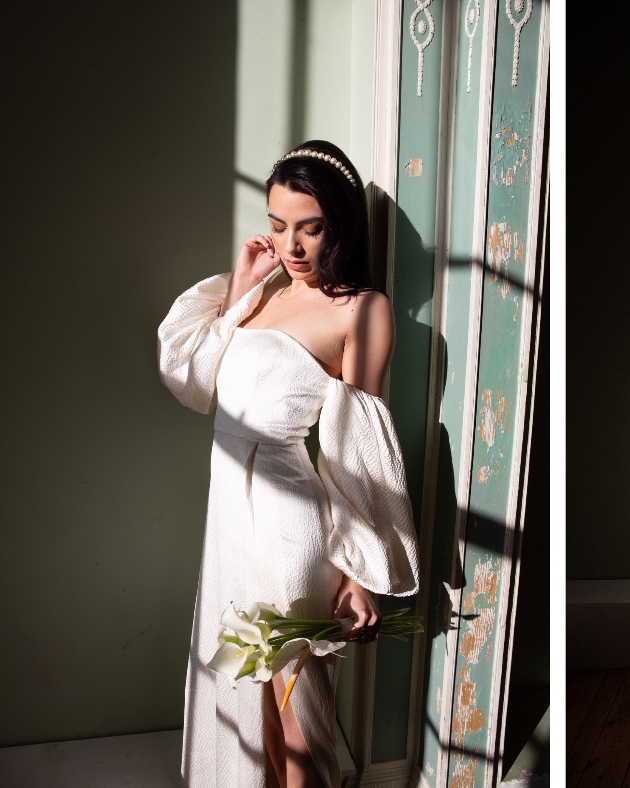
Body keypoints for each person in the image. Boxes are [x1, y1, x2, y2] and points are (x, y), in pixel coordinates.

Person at [158, 140, 420, 788]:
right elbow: (193, 382)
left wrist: (358, 573)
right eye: (278, 226)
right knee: (250, 704)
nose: (293, 246)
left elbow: (359, 450)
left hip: (289, 528)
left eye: (311, 227)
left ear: (341, 226)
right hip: (230, 524)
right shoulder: (265, 287)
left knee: (299, 712)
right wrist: (241, 286)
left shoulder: (361, 309)